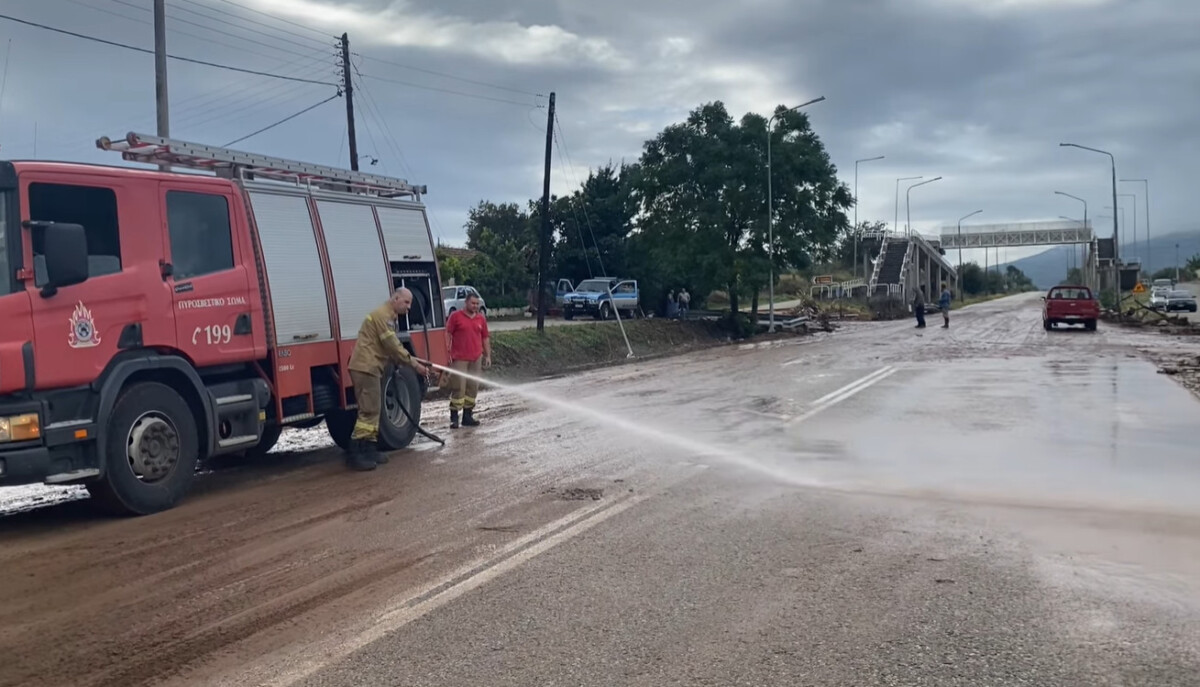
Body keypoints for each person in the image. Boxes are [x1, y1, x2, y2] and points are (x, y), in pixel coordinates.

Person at [346, 288, 429, 471]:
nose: (409, 308)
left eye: (410, 304)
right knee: (368, 411)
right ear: (396, 298)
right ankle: (355, 452)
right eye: (406, 303)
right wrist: (415, 365)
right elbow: (393, 346)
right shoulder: (383, 317)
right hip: (366, 367)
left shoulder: (388, 316)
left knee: (374, 410)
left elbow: (386, 347)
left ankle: (369, 449)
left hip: (370, 366)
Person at [445, 291, 491, 428]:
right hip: (459, 358)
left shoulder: (481, 319)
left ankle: (467, 416)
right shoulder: (455, 317)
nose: (475, 306)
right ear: (466, 303)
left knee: (472, 388)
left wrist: (488, 355)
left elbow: (485, 337)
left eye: (477, 304)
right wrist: (447, 352)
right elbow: (447, 334)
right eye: (473, 303)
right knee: (458, 387)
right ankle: (454, 418)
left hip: (476, 358)